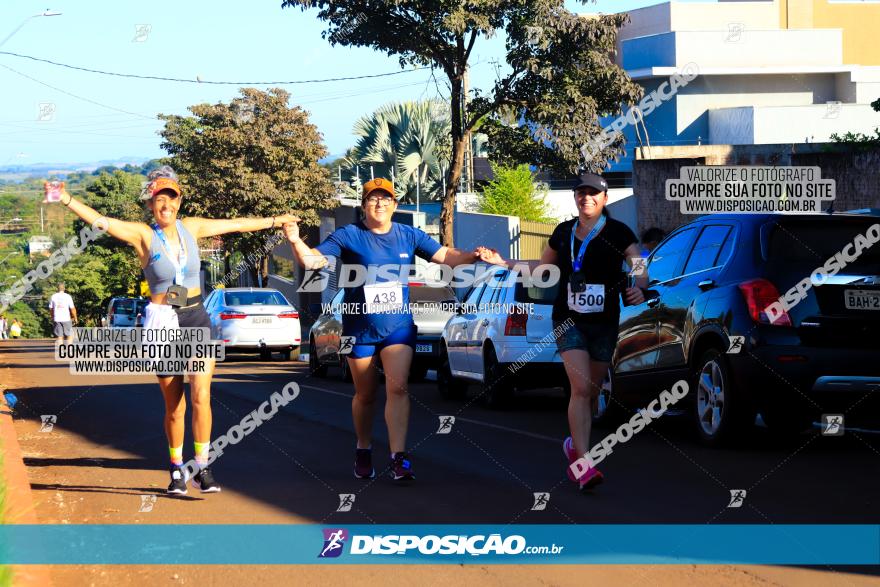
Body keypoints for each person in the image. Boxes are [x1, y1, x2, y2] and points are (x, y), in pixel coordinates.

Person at [45, 166, 296, 495]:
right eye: (159, 199)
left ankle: (202, 466)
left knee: (201, 396)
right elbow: (101, 222)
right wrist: (65, 198)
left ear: (179, 202)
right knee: (174, 406)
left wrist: (277, 220)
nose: (166, 204)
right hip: (163, 321)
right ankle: (177, 468)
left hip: (195, 317)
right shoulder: (144, 235)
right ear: (151, 204)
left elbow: (235, 224)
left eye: (171, 198)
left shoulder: (193, 227)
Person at [283, 177, 485, 482]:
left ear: (395, 205)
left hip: (398, 326)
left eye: (385, 198)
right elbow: (315, 262)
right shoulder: (349, 235)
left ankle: (398, 457)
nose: (379, 203)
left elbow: (445, 256)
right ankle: (363, 448)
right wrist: (296, 241)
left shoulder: (407, 235)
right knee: (365, 394)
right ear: (364, 205)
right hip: (357, 327)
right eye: (373, 199)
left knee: (397, 387)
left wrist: (473, 256)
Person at [478, 172, 649, 492]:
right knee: (581, 390)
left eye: (593, 193)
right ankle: (584, 464)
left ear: (604, 199)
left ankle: (574, 444)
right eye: (581, 193)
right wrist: (505, 262)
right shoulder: (563, 232)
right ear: (575, 198)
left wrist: (640, 286)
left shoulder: (619, 231)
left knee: (593, 391)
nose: (586, 198)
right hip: (568, 321)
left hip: (604, 321)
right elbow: (543, 269)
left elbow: (637, 262)